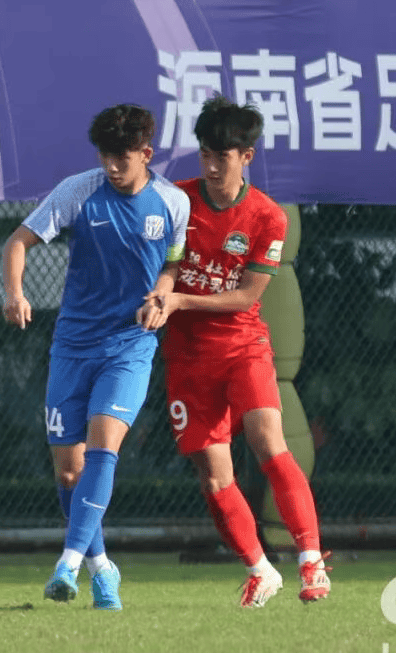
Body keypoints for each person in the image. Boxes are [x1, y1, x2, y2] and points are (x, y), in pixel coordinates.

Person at [140, 95, 330, 607]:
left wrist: (180, 300)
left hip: (243, 346)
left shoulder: (268, 216)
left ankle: (311, 561)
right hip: (187, 357)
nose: (212, 165)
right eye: (205, 154)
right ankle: (259, 570)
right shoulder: (176, 201)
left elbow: (246, 296)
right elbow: (168, 265)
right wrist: (162, 293)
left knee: (269, 443)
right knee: (213, 475)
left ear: (246, 156)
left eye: (222, 156)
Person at [1, 103, 189, 610]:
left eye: (121, 157)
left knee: (104, 448)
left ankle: (66, 564)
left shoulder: (172, 203)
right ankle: (102, 566)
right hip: (72, 346)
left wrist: (161, 295)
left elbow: (172, 265)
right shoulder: (78, 191)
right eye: (105, 156)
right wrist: (15, 293)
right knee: (69, 472)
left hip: (130, 345)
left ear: (146, 153)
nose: (111, 166)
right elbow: (17, 242)